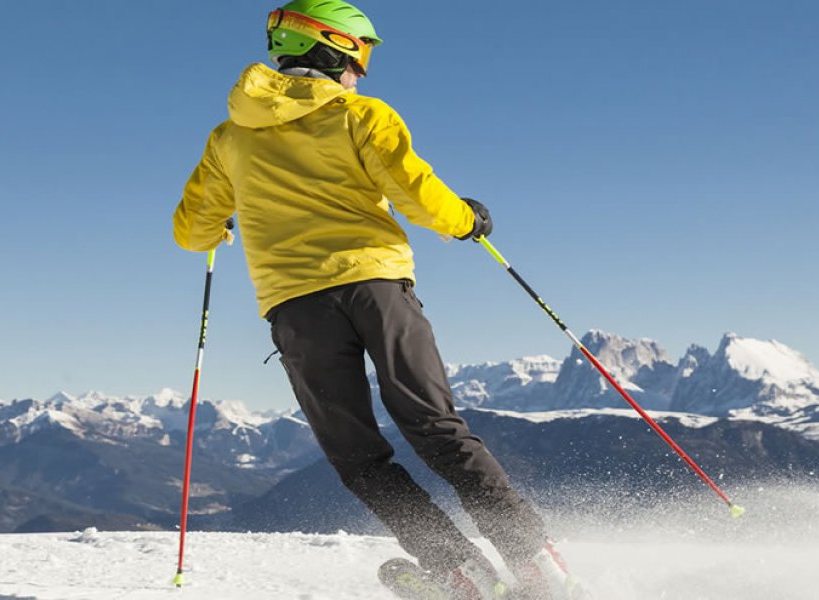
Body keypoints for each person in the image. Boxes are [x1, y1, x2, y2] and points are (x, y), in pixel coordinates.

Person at [172, 2, 581, 598]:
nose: (361, 70)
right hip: (377, 289)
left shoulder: (228, 138)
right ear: (332, 48)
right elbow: (416, 192)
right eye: (361, 54)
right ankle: (535, 562)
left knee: (358, 457)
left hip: (297, 309)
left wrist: (220, 225)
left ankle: (459, 572)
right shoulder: (361, 115)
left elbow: (191, 231)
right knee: (437, 428)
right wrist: (467, 220)